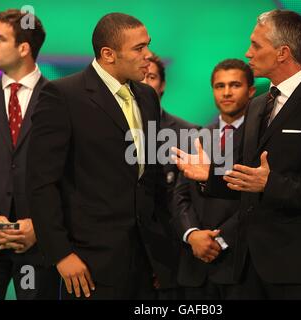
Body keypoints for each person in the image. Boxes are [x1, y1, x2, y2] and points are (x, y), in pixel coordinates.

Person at [173, 10, 301, 299]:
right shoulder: (257, 106)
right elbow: (248, 179)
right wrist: (211, 176)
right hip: (246, 268)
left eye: (256, 45)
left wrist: (270, 184)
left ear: (282, 53)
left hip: (297, 269)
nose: (248, 52)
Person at [26, 12, 168, 300]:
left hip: (145, 259)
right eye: (139, 48)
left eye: (147, 45)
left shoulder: (147, 96)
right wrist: (61, 254)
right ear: (108, 54)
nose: (148, 55)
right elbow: (41, 183)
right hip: (87, 263)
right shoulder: (62, 95)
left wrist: (160, 251)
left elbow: (150, 177)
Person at [0, 9, 59, 300]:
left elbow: (71, 173)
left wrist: (40, 226)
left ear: (24, 48)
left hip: (40, 247)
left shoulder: (61, 100)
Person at [172, 59, 255, 299]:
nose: (226, 92)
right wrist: (192, 234)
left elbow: (257, 198)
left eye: (234, 85)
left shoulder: (261, 137)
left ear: (250, 91)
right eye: (220, 86)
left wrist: (221, 239)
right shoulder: (197, 136)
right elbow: (180, 196)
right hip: (195, 265)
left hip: (241, 265)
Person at [142, 53, 199, 299]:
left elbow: (189, 202)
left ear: (162, 85)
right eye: (140, 76)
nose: (145, 82)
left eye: (151, 76)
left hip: (173, 257)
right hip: (121, 260)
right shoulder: (108, 131)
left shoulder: (189, 134)